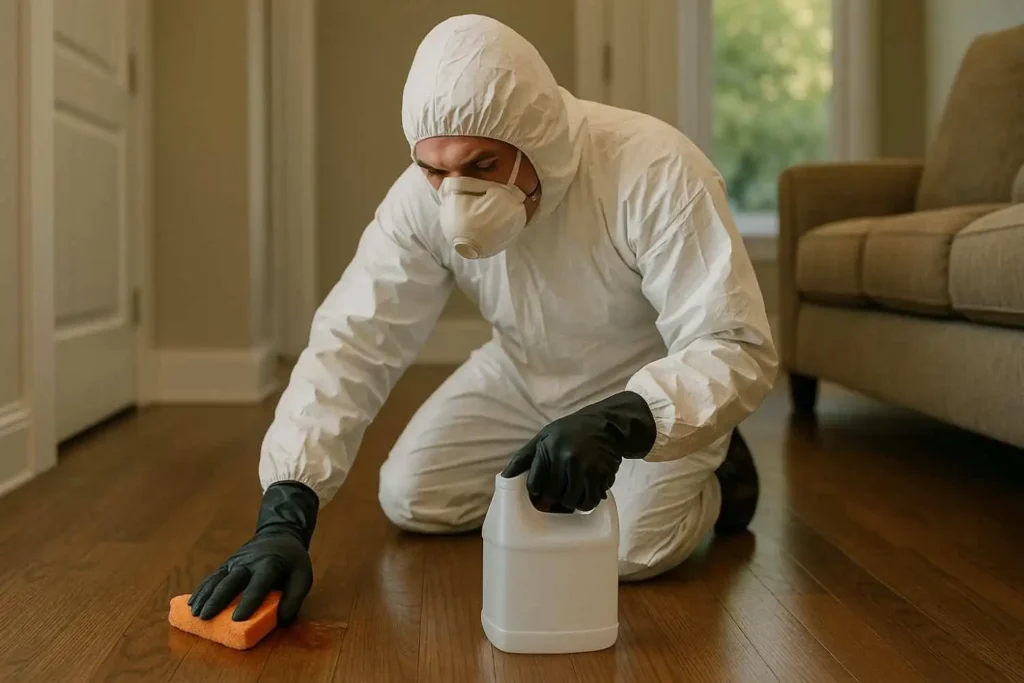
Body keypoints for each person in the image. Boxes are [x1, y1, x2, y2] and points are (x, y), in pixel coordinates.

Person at [186, 14, 778, 626]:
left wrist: (628, 420)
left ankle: (720, 468)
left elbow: (734, 344)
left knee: (628, 551)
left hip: (643, 392)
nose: (457, 195)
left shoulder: (654, 169)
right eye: (436, 170)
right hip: (523, 373)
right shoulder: (419, 200)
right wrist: (286, 510)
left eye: (483, 166)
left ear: (536, 139)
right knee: (412, 497)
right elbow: (355, 338)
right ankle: (575, 458)